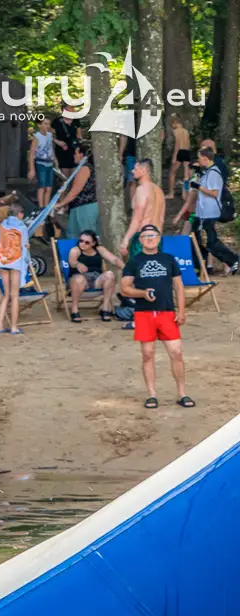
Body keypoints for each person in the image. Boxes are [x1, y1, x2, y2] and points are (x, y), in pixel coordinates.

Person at [119, 225, 190, 409]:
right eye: (145, 236)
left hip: (167, 312)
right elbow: (125, 288)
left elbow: (178, 286)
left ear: (159, 238)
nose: (150, 238)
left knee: (176, 353)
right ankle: (152, 395)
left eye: (153, 235)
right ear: (140, 240)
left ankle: (182, 393)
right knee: (147, 354)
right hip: (144, 313)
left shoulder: (169, 259)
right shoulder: (134, 261)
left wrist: (181, 311)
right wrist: (142, 293)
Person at [186, 146, 240, 274]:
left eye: (199, 158)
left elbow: (215, 193)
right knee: (195, 239)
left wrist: (198, 186)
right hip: (201, 213)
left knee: (210, 242)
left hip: (209, 213)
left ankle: (232, 260)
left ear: (205, 158)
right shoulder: (207, 172)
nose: (198, 160)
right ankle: (202, 265)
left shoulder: (214, 173)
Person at [63, 230, 122, 322]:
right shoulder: (75, 250)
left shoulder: (99, 249)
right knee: (79, 278)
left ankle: (105, 308)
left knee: (110, 274)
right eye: (81, 241)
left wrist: (127, 269)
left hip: (96, 281)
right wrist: (78, 264)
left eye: (87, 242)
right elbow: (72, 261)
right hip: (80, 282)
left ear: (93, 243)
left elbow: (114, 259)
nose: (83, 244)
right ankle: (75, 310)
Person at [0, 205, 31, 335]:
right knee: (15, 296)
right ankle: (14, 327)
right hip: (15, 261)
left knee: (6, 295)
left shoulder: (2, 226)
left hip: (2, 261)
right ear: (19, 214)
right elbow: (24, 246)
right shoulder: (22, 227)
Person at [121, 159, 163, 255]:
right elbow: (161, 219)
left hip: (143, 238)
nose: (132, 171)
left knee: (139, 264)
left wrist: (126, 239)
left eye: (135, 169)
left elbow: (137, 219)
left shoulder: (141, 189)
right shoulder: (159, 191)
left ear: (143, 171)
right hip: (157, 238)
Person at [57, 155, 97, 238]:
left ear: (81, 154)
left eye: (76, 153)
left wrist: (61, 204)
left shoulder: (85, 168)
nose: (74, 155)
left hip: (84, 208)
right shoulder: (91, 167)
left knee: (85, 236)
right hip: (82, 207)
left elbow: (76, 190)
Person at [32, 118, 58, 209]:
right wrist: (32, 169)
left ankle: (46, 206)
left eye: (49, 124)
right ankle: (41, 206)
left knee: (49, 187)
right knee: (42, 186)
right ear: (39, 125)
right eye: (45, 124)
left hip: (49, 163)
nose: (48, 126)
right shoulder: (37, 137)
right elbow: (32, 153)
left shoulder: (50, 135)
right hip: (40, 163)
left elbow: (51, 148)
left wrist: (55, 159)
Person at [169, 115, 194, 192]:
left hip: (179, 152)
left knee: (172, 173)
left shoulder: (175, 131)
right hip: (187, 152)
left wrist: (174, 156)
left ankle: (171, 193)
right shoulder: (186, 131)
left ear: (175, 122)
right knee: (186, 175)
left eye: (172, 124)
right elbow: (188, 145)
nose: (171, 126)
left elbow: (177, 145)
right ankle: (186, 193)